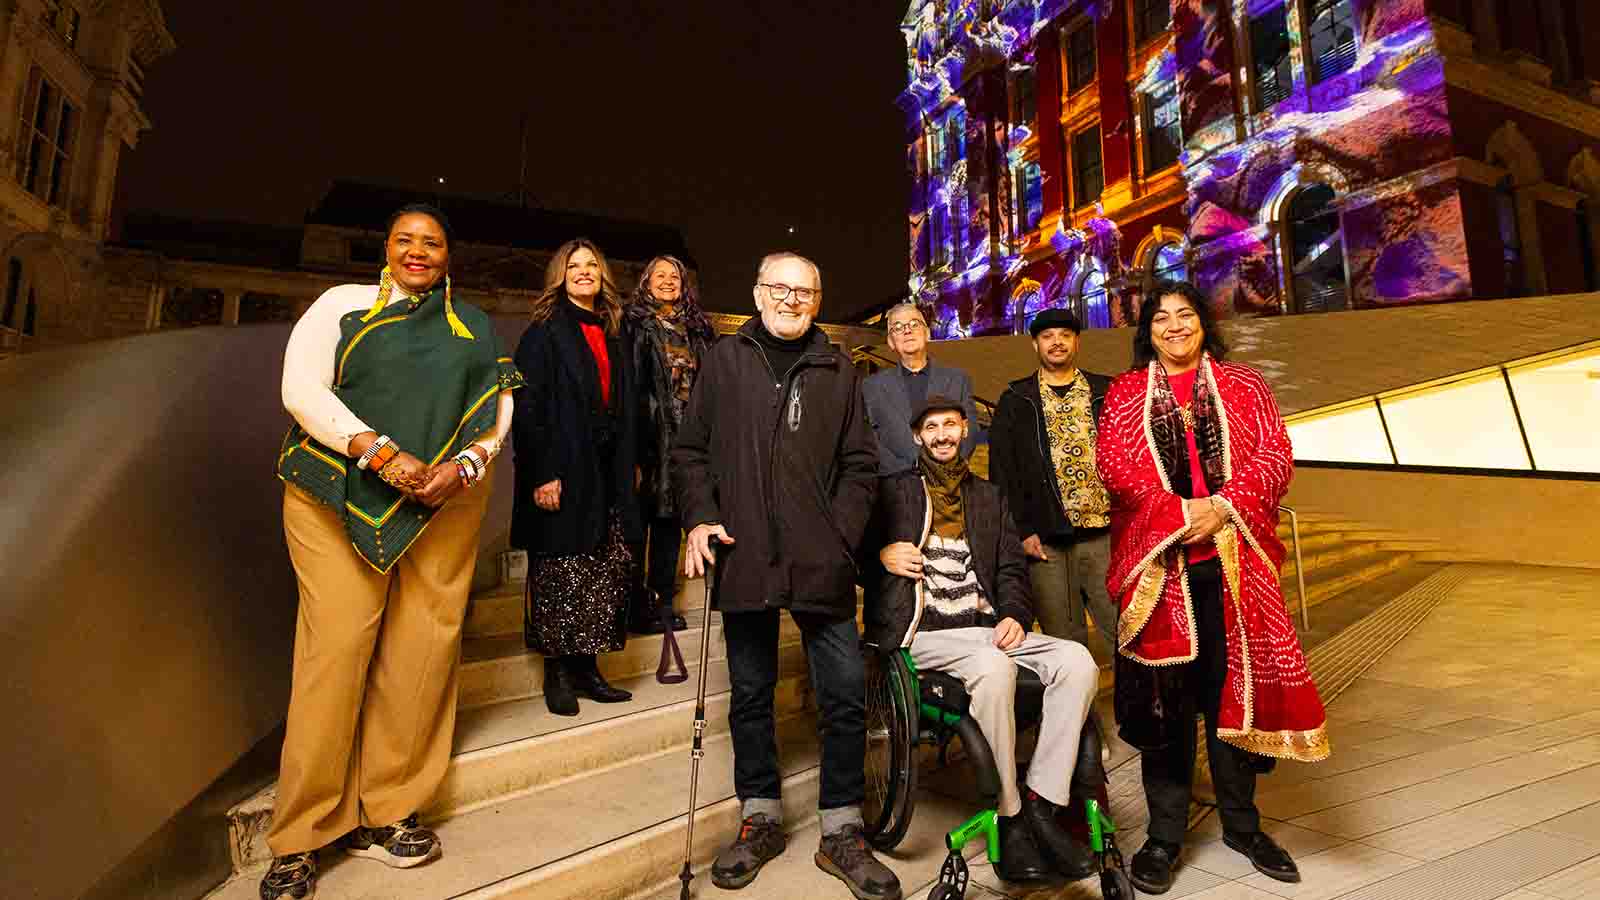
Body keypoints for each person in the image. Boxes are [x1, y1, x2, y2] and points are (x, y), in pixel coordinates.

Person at [264, 203, 523, 899]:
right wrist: (378, 452)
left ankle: (386, 811)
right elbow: (300, 390)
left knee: (422, 652)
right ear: (386, 248)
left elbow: (497, 408)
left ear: (448, 254)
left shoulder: (472, 324)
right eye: (405, 241)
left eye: (431, 243)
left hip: (444, 499)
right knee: (336, 652)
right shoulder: (341, 304)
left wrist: (465, 466)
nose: (418, 252)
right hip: (338, 494)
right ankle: (302, 834)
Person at [671, 252, 899, 900]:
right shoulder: (724, 360)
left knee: (846, 693)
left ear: (819, 299)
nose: (792, 299)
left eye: (805, 291)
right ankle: (761, 815)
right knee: (750, 692)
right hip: (743, 552)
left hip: (818, 556)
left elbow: (862, 465)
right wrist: (700, 517)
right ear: (757, 291)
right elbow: (690, 452)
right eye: (780, 287)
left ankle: (842, 829)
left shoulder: (838, 368)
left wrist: (841, 534)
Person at [1097, 280, 1329, 894]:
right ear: (1146, 332)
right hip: (1162, 573)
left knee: (1234, 703)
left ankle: (1242, 826)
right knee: (1165, 708)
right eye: (1161, 318)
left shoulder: (1245, 385)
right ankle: (1164, 836)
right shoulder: (1124, 394)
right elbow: (1116, 467)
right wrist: (1180, 516)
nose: (1174, 325)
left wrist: (1223, 507)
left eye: (1186, 314)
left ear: (1204, 323)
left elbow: (1275, 455)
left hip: (1235, 568)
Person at [869, 396, 1101, 883]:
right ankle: (1010, 812)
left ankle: (1043, 799)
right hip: (923, 633)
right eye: (929, 427)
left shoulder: (989, 496)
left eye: (949, 425)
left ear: (966, 430)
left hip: (984, 628)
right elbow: (853, 546)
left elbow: (1011, 569)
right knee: (996, 667)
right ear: (917, 437)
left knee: (1077, 660)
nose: (940, 435)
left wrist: (1016, 612)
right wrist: (881, 556)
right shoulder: (893, 493)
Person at [511, 238, 642, 717]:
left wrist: (631, 464)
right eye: (574, 266)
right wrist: (543, 473)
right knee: (559, 571)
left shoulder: (614, 329)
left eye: (592, 265)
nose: (584, 272)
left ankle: (588, 669)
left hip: (607, 473)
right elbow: (528, 408)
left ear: (602, 275)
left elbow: (625, 404)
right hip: (563, 468)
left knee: (601, 571)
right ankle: (557, 673)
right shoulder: (544, 330)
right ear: (560, 276)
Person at [988, 308, 1117, 652]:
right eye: (1048, 336)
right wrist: (1022, 530)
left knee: (1123, 629)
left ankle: (1140, 707)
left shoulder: (1106, 392)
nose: (1056, 342)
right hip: (1045, 542)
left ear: (1076, 342)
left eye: (1064, 335)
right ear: (1035, 344)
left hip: (1105, 534)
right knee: (1064, 641)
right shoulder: (1016, 400)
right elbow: (1002, 473)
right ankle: (1079, 709)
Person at [626, 254, 713, 633]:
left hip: (687, 441)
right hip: (646, 437)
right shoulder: (633, 325)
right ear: (646, 282)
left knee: (669, 524)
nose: (667, 281)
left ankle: (662, 601)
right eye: (659, 275)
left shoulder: (698, 329)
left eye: (674, 276)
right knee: (636, 525)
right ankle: (631, 603)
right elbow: (629, 386)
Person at [861, 301, 976, 474]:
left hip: (949, 482)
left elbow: (971, 429)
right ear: (891, 342)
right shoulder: (871, 387)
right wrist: (904, 471)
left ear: (927, 333)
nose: (908, 330)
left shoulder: (957, 379)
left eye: (914, 324)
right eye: (898, 327)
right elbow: (868, 438)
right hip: (895, 485)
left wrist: (948, 468)